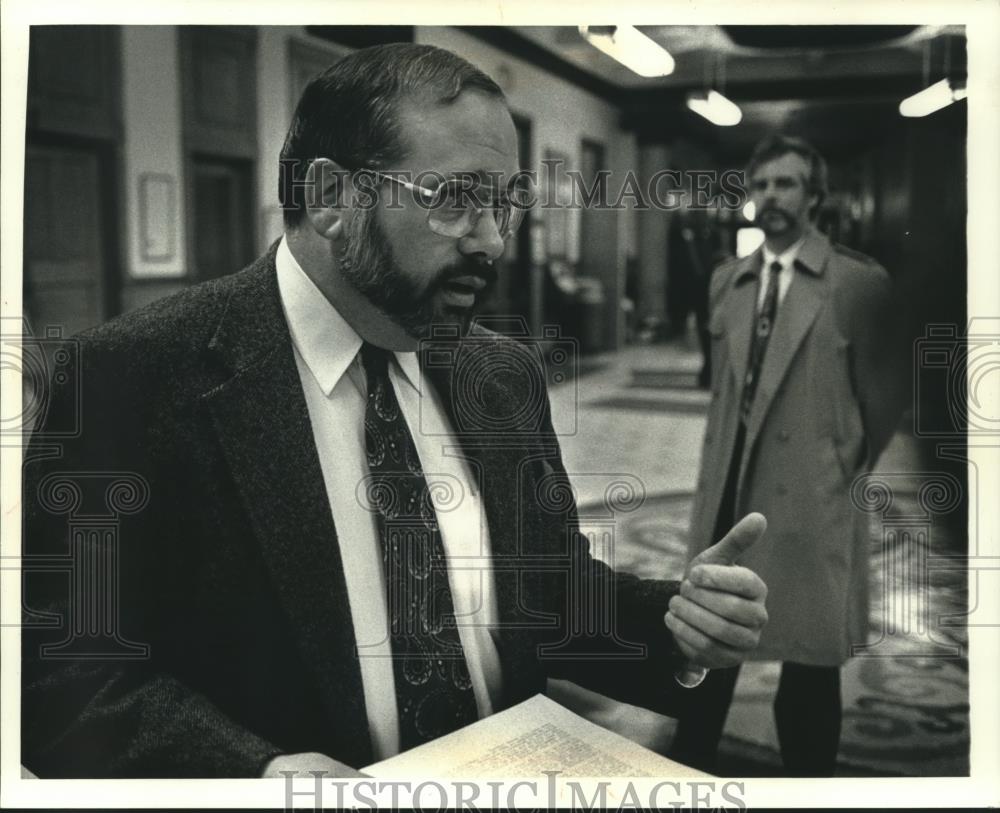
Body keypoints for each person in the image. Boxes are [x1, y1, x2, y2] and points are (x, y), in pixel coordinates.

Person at [21, 44, 769, 779]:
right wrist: (257, 770)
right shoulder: (132, 377)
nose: (491, 240)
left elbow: (551, 597)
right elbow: (64, 680)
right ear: (331, 198)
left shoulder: (500, 374)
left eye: (502, 204)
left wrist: (672, 623)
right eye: (454, 199)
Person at [671, 134, 903, 776]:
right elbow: (722, 385)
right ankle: (690, 771)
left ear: (816, 197)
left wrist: (839, 461)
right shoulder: (728, 280)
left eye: (788, 184)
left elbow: (883, 398)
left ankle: (807, 779)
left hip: (811, 492)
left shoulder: (858, 284)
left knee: (807, 657)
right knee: (710, 640)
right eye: (764, 184)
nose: (772, 197)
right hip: (728, 485)